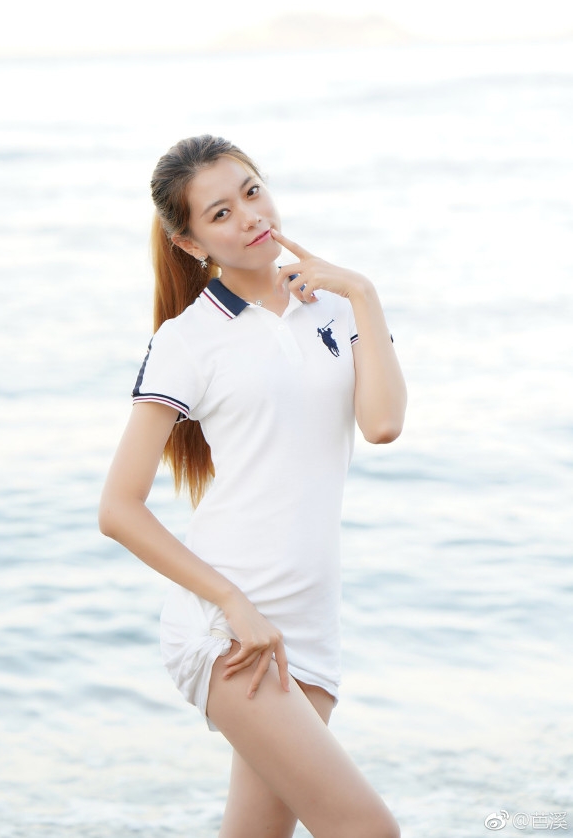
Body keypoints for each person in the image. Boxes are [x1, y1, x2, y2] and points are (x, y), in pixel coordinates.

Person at [99, 134, 407, 838]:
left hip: (310, 621)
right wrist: (233, 603)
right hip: (230, 626)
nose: (248, 215)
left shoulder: (333, 306)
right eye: (219, 213)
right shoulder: (187, 339)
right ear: (188, 242)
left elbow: (384, 424)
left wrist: (361, 291)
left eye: (251, 190)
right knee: (368, 830)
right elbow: (117, 510)